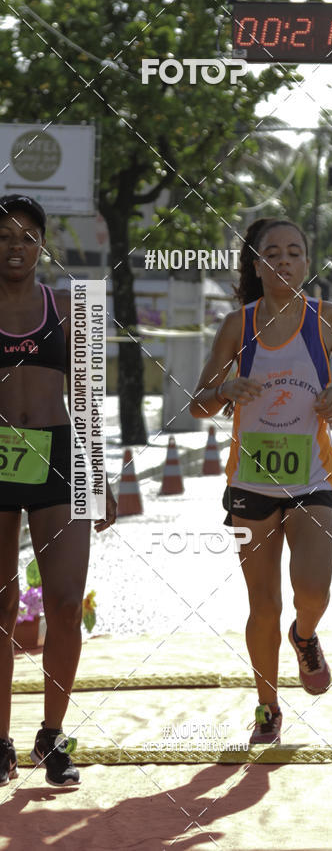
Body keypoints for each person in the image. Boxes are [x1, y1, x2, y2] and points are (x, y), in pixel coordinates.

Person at [189, 217, 332, 744]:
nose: (284, 261)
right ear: (256, 263)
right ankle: (267, 706)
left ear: (307, 263)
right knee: (262, 604)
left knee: (313, 589)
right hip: (250, 481)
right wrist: (227, 387)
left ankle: (306, 634)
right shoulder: (237, 325)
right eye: (273, 253)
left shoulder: (325, 318)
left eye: (295, 252)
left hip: (312, 478)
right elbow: (199, 403)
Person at [0, 195, 117, 788]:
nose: (15, 247)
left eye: (26, 236)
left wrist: (102, 474)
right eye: (3, 236)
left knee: (66, 602)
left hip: (60, 458)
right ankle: (0, 743)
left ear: (43, 244)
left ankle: (53, 737)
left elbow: (90, 401)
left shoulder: (75, 307)